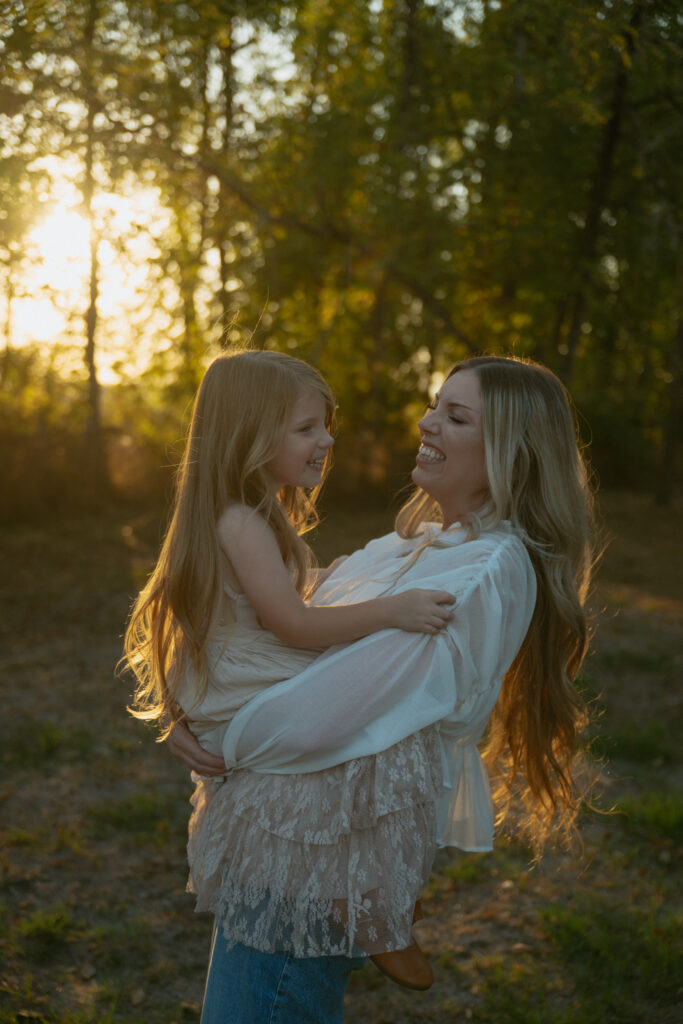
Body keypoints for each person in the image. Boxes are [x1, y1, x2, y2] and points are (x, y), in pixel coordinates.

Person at [153, 354, 596, 1022]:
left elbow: (309, 723)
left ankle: (371, 900)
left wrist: (231, 737)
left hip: (301, 847)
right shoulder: (409, 544)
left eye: (454, 415)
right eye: (432, 405)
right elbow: (270, 621)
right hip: (282, 837)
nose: (424, 423)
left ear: (510, 447)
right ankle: (372, 903)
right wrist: (193, 711)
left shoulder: (476, 574)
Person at [122, 349, 457, 1001]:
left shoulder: (238, 515)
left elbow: (270, 596)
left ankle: (370, 892)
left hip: (228, 684)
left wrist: (334, 579)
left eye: (324, 425)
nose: (326, 439)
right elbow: (294, 627)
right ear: (250, 436)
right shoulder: (242, 521)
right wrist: (392, 609)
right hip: (249, 687)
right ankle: (362, 900)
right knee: (368, 742)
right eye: (306, 428)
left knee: (361, 731)